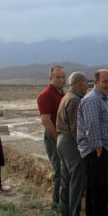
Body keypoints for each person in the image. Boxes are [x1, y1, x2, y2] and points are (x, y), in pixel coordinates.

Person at [77, 69, 108, 216]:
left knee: (94, 189)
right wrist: (99, 148)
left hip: (97, 152)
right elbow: (92, 126)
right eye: (105, 82)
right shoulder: (93, 100)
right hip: (96, 152)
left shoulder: (99, 99)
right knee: (99, 191)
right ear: (96, 82)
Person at [55, 71, 88, 216]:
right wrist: (84, 148)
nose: (87, 86)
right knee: (77, 180)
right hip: (70, 142)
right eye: (85, 83)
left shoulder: (67, 96)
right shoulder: (75, 100)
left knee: (66, 179)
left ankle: (65, 214)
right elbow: (77, 129)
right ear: (79, 83)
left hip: (62, 140)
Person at [38, 65, 66, 205]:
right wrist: (57, 138)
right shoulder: (47, 95)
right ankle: (56, 204)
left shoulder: (61, 93)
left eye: (63, 77)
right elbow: (45, 120)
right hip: (54, 136)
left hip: (62, 137)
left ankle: (64, 202)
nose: (61, 80)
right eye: (57, 77)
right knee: (59, 170)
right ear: (51, 79)